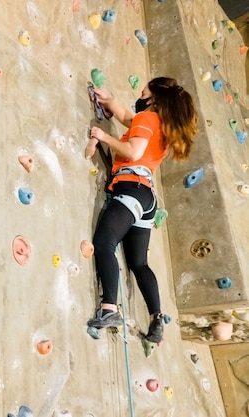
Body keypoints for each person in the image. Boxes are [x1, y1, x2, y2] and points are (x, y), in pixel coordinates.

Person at [85, 77, 199, 343]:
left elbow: (133, 151)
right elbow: (127, 117)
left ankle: (109, 309)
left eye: (144, 91)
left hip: (130, 188)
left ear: (155, 98)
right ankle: (156, 320)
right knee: (139, 263)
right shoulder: (162, 127)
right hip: (147, 199)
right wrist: (110, 100)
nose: (141, 94)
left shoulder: (148, 120)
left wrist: (103, 136)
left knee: (104, 242)